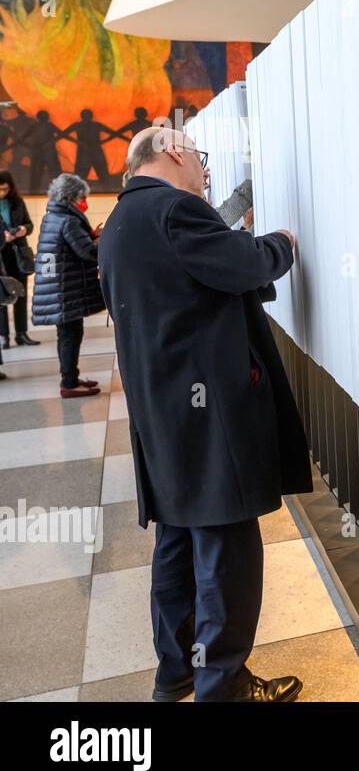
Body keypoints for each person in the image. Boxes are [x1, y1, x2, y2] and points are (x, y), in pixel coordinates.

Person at [98, 126, 308, 703]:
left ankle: (178, 674)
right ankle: (224, 688)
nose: (205, 169)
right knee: (225, 552)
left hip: (161, 417)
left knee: (177, 544)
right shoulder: (174, 211)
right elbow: (242, 265)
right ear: (171, 152)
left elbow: (192, 288)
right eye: (200, 156)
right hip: (207, 416)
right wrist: (283, 243)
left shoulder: (119, 223)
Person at [31, 173, 104, 397]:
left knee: (67, 334)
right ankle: (69, 383)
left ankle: (70, 377)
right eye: (82, 196)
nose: (84, 201)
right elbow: (88, 252)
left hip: (58, 285)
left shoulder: (52, 216)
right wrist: (102, 239)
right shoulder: (69, 220)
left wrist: (90, 235)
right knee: (71, 335)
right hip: (64, 288)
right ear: (71, 196)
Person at [0, 170, 40, 348]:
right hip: (1, 254)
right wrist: (3, 236)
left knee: (21, 293)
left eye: (5, 189)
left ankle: (21, 333)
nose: (2, 193)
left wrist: (24, 229)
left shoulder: (17, 201)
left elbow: (30, 224)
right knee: (2, 296)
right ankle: (3, 336)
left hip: (18, 252)